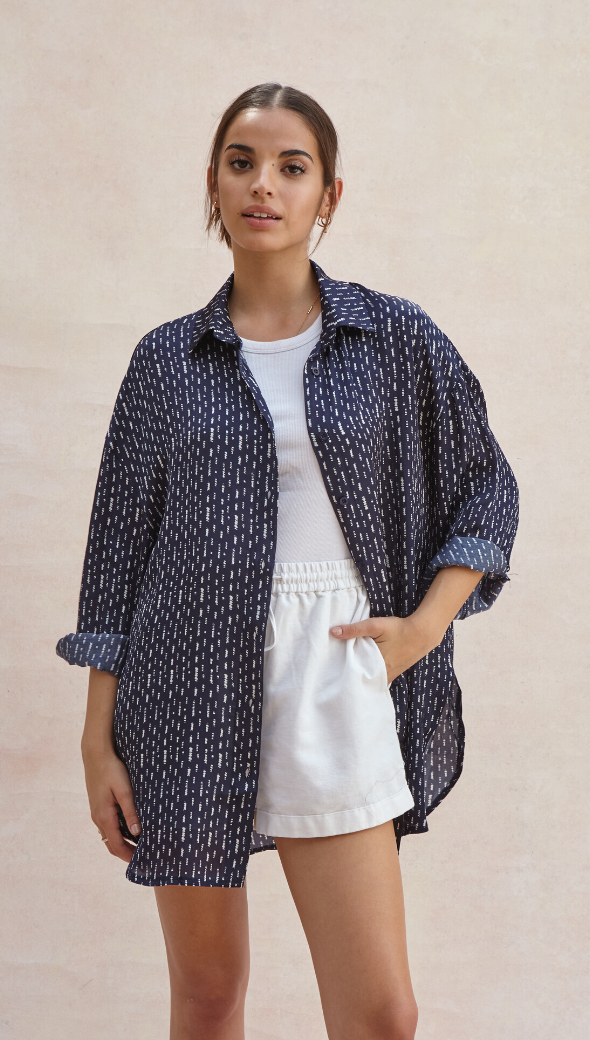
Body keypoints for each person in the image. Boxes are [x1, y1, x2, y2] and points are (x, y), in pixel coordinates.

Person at [56, 83, 519, 1040]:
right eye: (240, 163)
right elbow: (116, 563)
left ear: (329, 197)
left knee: (382, 1014)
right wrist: (97, 741)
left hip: (334, 667)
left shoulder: (391, 337)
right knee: (210, 996)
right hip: (181, 685)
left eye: (291, 167)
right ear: (214, 186)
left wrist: (425, 627)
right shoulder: (163, 362)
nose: (263, 185)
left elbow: (485, 484)